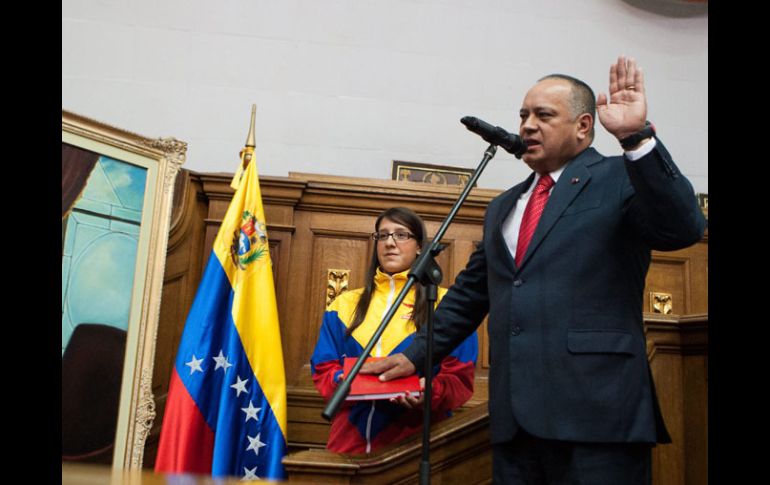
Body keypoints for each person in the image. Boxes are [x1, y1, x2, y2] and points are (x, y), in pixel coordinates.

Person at [362, 56, 707, 483]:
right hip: (516, 422)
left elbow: (684, 228)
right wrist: (415, 356)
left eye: (543, 115)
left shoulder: (620, 177)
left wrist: (636, 137)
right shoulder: (505, 206)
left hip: (597, 416)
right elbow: (470, 296)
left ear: (583, 126)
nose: (527, 125)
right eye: (524, 115)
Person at [310, 206, 478, 454]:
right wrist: (342, 381)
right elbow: (323, 368)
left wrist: (428, 392)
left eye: (401, 235)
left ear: (420, 246)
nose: (390, 243)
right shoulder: (343, 306)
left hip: (414, 446)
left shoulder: (446, 307)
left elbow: (459, 378)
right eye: (383, 235)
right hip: (348, 444)